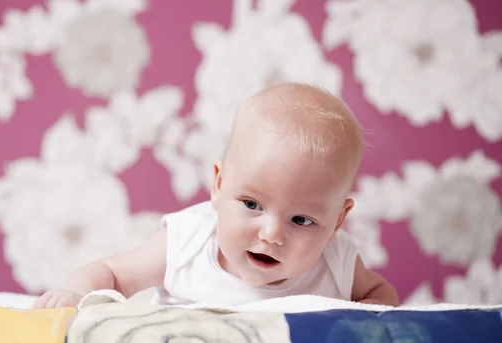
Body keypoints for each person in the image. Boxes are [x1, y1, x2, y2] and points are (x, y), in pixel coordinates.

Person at [32, 82, 399, 309]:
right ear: (219, 186)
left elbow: (382, 294)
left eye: (301, 220)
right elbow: (110, 272)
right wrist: (73, 293)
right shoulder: (187, 243)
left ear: (337, 222)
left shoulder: (336, 263)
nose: (271, 234)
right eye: (252, 204)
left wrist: (369, 325)